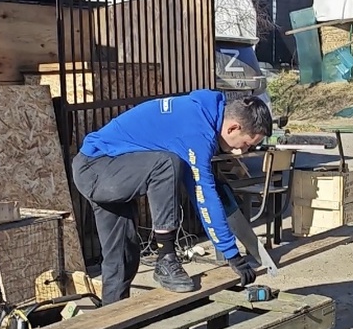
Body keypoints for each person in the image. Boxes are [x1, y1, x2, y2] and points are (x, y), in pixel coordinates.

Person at [70, 90, 273, 305]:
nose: (242, 152)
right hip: (96, 168)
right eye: (246, 144)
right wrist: (232, 254)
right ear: (233, 127)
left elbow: (197, 185)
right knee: (166, 164)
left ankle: (112, 326)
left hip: (116, 167)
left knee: (123, 259)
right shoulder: (197, 130)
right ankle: (165, 256)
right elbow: (203, 195)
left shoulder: (207, 113)